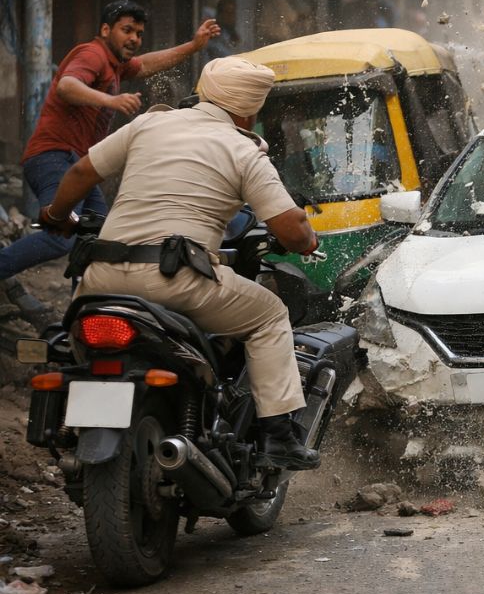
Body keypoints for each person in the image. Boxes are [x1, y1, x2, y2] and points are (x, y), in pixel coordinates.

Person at [38, 57, 321, 470]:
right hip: (176, 280)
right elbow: (291, 227)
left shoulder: (149, 124)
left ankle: (68, 419)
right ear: (249, 110)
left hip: (99, 278)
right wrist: (307, 240)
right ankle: (278, 436)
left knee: (67, 344)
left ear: (203, 92)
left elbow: (82, 171)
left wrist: (57, 216)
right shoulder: (244, 150)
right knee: (269, 315)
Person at [0, 0, 219, 327]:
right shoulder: (92, 55)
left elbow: (146, 64)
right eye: (126, 30)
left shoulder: (115, 64)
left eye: (139, 33)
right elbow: (67, 86)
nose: (134, 39)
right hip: (53, 157)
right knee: (61, 234)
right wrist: (111, 101)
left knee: (102, 243)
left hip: (76, 164)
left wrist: (193, 45)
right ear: (105, 30)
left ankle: (84, 317)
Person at [199, 0, 242, 65]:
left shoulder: (231, 32)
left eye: (233, 13)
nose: (231, 16)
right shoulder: (211, 32)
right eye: (227, 12)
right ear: (219, 14)